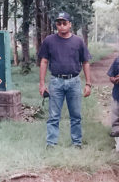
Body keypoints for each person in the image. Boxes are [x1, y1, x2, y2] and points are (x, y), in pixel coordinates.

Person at [38, 12, 92, 149]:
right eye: (59, 23)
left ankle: (77, 143)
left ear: (70, 24)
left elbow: (85, 62)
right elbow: (44, 62)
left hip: (74, 82)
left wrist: (88, 83)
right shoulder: (49, 41)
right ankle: (51, 144)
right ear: (56, 25)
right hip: (56, 82)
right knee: (54, 115)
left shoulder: (78, 41)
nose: (61, 26)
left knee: (76, 115)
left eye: (64, 23)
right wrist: (42, 84)